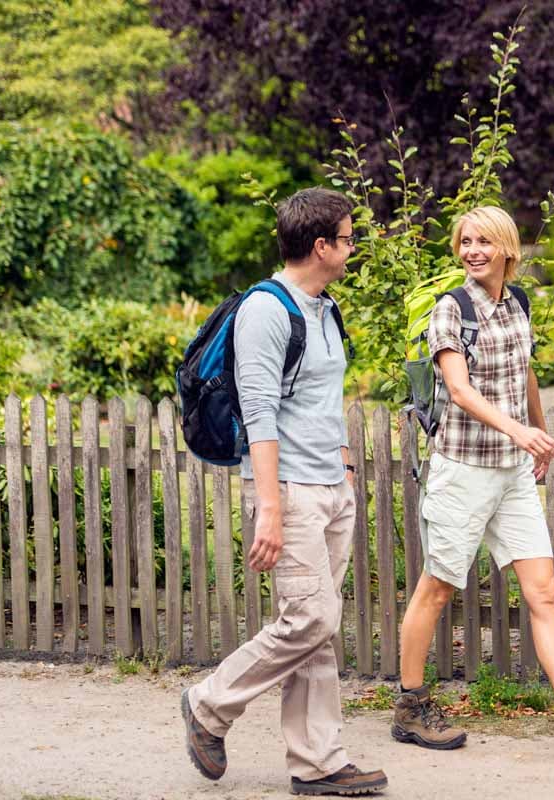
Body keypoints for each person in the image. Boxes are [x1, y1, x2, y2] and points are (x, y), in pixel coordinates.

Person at [392, 205, 554, 760]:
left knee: (545, 590)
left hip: (511, 474)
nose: (472, 250)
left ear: (508, 249)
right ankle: (410, 706)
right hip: (463, 471)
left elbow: (523, 369)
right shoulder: (450, 310)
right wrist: (517, 431)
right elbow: (458, 389)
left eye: (483, 241)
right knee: (437, 588)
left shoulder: (518, 302)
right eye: (464, 241)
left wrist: (539, 431)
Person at [180, 187, 388, 797]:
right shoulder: (266, 311)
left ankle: (318, 761)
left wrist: (346, 466)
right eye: (347, 239)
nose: (353, 248)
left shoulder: (325, 308)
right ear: (320, 246)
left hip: (330, 484)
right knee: (311, 616)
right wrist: (269, 506)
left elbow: (325, 399)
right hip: (289, 489)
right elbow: (259, 413)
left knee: (316, 625)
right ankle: (209, 704)